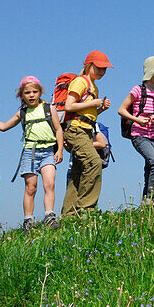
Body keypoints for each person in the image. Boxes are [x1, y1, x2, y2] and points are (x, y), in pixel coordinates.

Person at [0, 76, 64, 229]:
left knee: (50, 183)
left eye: (35, 91)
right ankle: (28, 220)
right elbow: (3, 127)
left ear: (40, 92)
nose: (31, 95)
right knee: (31, 186)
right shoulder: (22, 113)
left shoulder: (49, 108)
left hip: (48, 151)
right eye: (27, 92)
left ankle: (49, 216)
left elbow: (58, 129)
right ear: (22, 95)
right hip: (30, 152)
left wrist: (60, 149)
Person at [61, 50, 113, 216]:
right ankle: (86, 210)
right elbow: (69, 106)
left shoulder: (93, 87)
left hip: (85, 129)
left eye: (104, 69)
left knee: (78, 172)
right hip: (76, 130)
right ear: (88, 65)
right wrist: (94, 102)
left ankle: (69, 215)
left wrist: (100, 109)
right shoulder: (80, 82)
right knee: (94, 163)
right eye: (98, 67)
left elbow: (87, 115)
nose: (102, 71)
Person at [118, 56, 154, 203]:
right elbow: (121, 110)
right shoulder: (138, 90)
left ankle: (146, 202)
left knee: (150, 167)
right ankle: (153, 201)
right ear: (150, 71)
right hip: (139, 135)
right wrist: (138, 119)